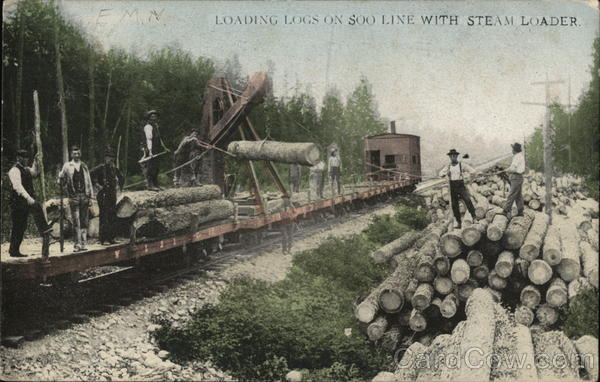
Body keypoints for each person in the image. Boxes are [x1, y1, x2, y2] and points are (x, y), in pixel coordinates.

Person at [7, 149, 52, 257]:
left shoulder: (26, 169)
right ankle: (14, 250)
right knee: (19, 226)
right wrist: (28, 198)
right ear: (18, 158)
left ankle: (44, 230)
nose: (25, 159)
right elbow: (17, 187)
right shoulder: (14, 170)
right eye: (23, 157)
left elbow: (35, 173)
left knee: (22, 225)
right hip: (18, 202)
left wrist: (36, 161)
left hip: (24, 202)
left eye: (27, 158)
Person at [59, 145, 94, 252]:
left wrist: (91, 197)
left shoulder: (84, 166)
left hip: (84, 196)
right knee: (76, 221)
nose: (76, 155)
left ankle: (83, 244)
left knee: (84, 221)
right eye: (74, 153)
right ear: (71, 154)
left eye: (78, 153)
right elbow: (60, 178)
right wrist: (61, 180)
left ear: (80, 154)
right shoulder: (67, 166)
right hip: (73, 197)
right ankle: (77, 244)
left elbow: (89, 181)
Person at [91, 147, 124, 245]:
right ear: (105, 158)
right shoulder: (101, 168)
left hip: (112, 194)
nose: (110, 159)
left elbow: (121, 178)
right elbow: (90, 174)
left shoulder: (114, 168)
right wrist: (97, 184)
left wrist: (120, 188)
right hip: (103, 194)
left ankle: (111, 238)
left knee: (112, 215)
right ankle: (102, 239)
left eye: (111, 157)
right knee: (104, 216)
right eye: (108, 157)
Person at [439, 148, 477, 229]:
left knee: (467, 200)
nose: (453, 157)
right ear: (449, 157)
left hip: (460, 185)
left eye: (454, 156)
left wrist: (470, 179)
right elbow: (440, 173)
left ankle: (474, 217)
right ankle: (459, 223)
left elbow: (473, 171)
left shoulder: (461, 165)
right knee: (454, 205)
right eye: (451, 156)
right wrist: (445, 174)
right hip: (452, 186)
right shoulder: (448, 166)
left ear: (456, 156)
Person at [140, 110, 163, 191]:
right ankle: (150, 185)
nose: (154, 118)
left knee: (156, 167)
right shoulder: (148, 127)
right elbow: (149, 139)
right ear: (149, 118)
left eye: (155, 116)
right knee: (150, 167)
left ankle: (156, 184)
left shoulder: (155, 126)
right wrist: (150, 151)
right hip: (149, 149)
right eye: (152, 117)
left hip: (156, 149)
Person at [501, 142, 526, 218]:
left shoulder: (517, 157)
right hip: (518, 177)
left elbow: (513, 168)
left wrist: (506, 170)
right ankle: (520, 211)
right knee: (518, 195)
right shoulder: (519, 156)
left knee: (511, 194)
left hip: (516, 177)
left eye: (512, 149)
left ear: (515, 150)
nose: (511, 150)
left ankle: (505, 211)